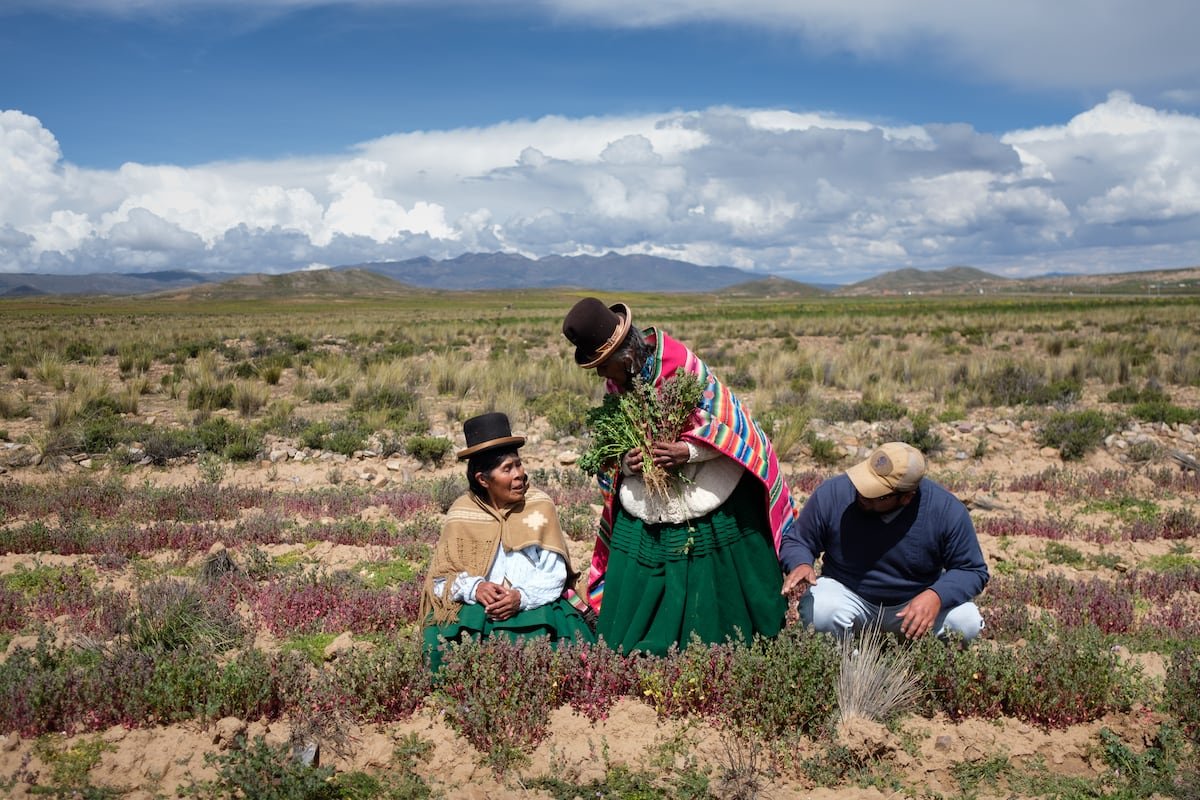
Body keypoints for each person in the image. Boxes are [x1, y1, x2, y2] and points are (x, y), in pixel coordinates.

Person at [561, 297, 797, 655]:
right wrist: (626, 462)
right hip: (651, 493)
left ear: (625, 355)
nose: (600, 375)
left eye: (602, 365)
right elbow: (614, 447)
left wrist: (688, 451)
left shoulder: (681, 368)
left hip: (706, 477)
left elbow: (731, 427)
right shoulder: (619, 385)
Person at [420, 412, 595, 671]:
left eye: (519, 464)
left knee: (564, 650)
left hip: (534, 605)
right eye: (507, 468)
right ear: (483, 479)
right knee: (440, 646)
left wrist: (520, 597)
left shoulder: (539, 506)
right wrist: (476, 588)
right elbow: (440, 581)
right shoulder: (462, 513)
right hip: (480, 608)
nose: (520, 474)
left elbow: (555, 573)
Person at [779, 441, 988, 642]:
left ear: (906, 497)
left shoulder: (946, 511)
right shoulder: (833, 493)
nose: (862, 493)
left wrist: (936, 595)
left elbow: (971, 570)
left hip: (913, 604)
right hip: (848, 596)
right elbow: (798, 540)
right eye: (863, 481)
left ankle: (918, 656)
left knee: (965, 622)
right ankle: (846, 658)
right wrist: (800, 562)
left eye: (875, 494)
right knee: (821, 610)